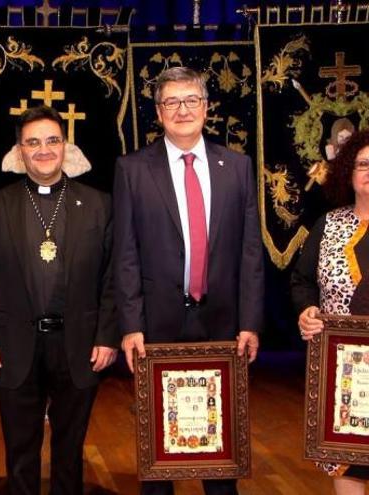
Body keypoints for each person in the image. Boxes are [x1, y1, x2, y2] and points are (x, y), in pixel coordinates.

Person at [113, 66, 263, 495]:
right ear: (158, 113)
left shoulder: (237, 167)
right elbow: (125, 254)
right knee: (158, 455)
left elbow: (250, 251)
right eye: (172, 102)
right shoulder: (132, 170)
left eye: (191, 100)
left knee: (220, 454)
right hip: (157, 328)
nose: (183, 110)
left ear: (206, 107)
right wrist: (130, 325)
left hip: (221, 326)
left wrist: (250, 322)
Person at [0, 105, 117, 494]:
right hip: (14, 346)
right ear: (20, 151)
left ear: (65, 146)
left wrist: (107, 335)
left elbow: (112, 276)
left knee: (70, 451)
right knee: (20, 451)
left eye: (52, 140)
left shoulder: (98, 204)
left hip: (80, 345)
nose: (44, 150)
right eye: (33, 142)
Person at [293, 128, 369, 495]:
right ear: (347, 173)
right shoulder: (328, 225)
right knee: (348, 460)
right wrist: (307, 310)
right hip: (343, 375)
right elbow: (302, 280)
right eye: (363, 164)